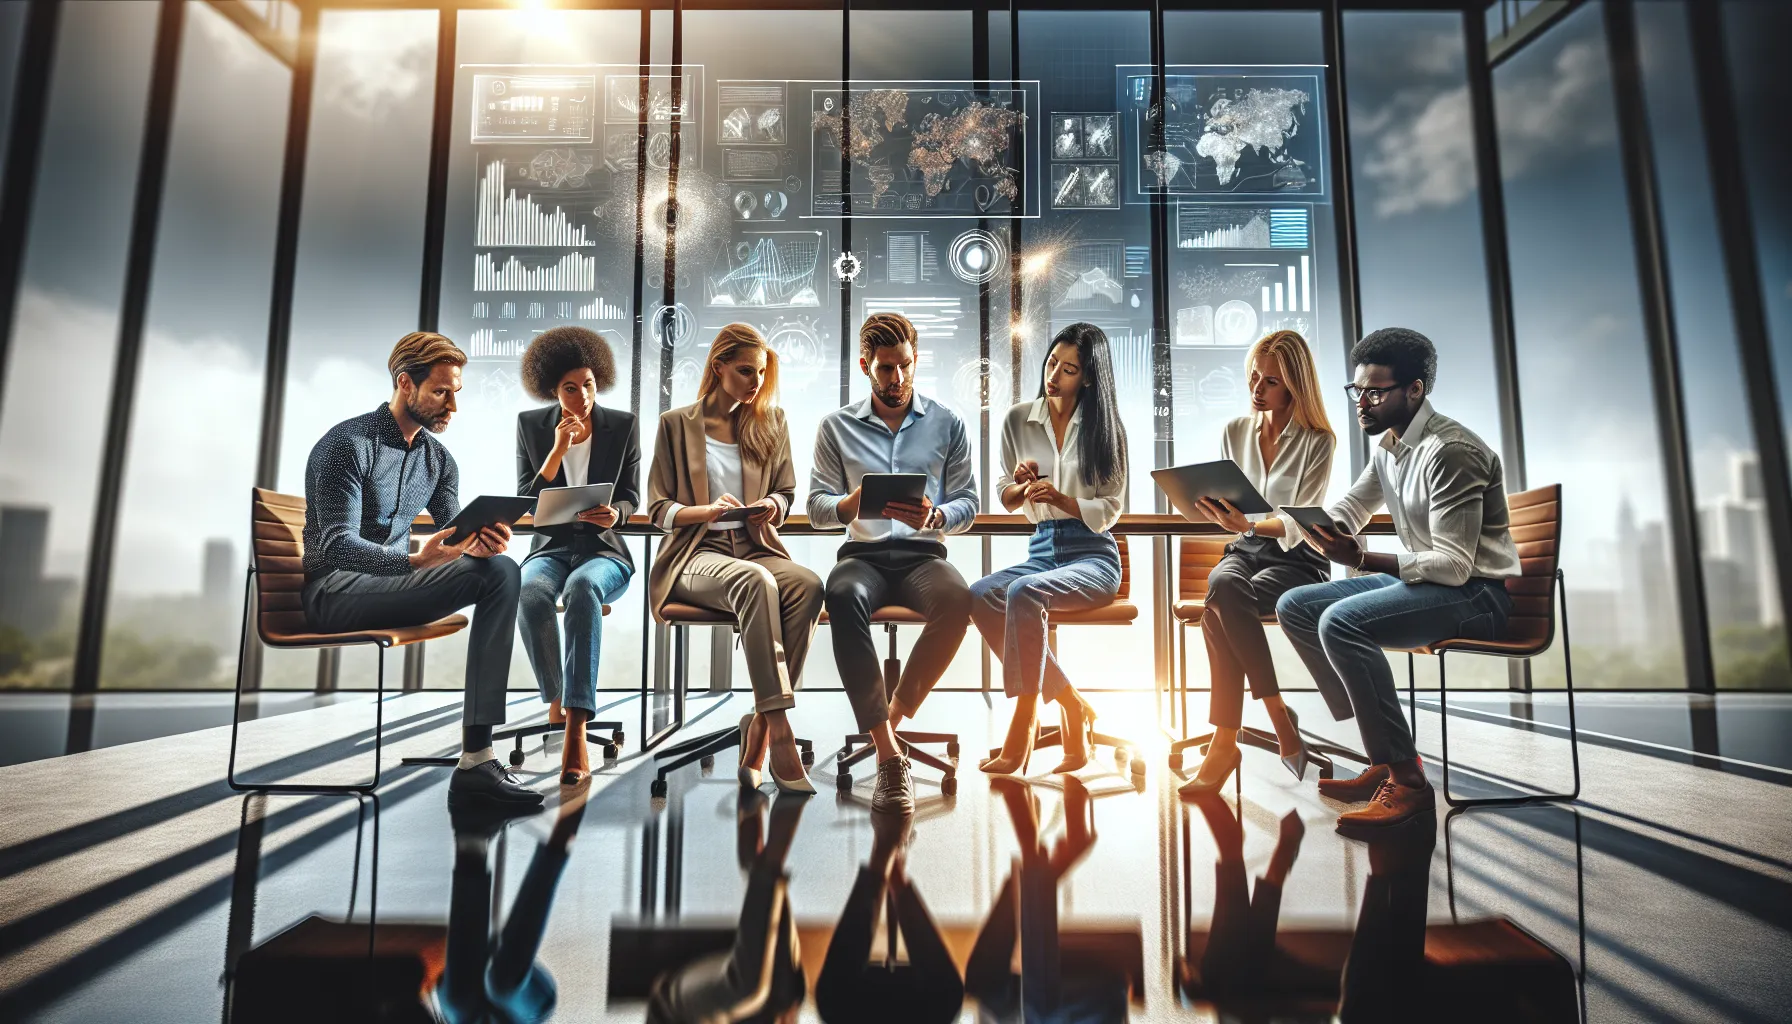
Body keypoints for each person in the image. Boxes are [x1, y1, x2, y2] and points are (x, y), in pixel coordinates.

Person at [1276, 327, 1520, 835]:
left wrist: (1361, 557)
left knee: (1340, 624)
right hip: (1432, 587)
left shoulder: (1450, 451)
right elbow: (1353, 506)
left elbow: (1454, 566)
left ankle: (1407, 782)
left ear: (1414, 390)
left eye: (1374, 392)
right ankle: (1384, 755)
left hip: (1476, 596)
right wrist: (1310, 525)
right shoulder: (1389, 445)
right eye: (1357, 390)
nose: (1361, 403)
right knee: (1297, 605)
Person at [301, 331, 537, 810]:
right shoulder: (346, 445)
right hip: (333, 592)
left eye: (456, 393)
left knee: (500, 570)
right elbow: (335, 544)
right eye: (441, 392)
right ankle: (477, 761)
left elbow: (452, 535)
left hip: (391, 584)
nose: (452, 405)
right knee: (497, 575)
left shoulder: (438, 460)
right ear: (405, 384)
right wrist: (412, 561)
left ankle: (477, 758)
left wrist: (483, 543)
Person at [808, 312, 979, 814]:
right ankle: (888, 757)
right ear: (866, 366)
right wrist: (849, 504)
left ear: (915, 359)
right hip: (862, 557)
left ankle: (889, 727)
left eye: (904, 366)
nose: (897, 379)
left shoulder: (948, 423)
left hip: (924, 554)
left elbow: (968, 503)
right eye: (885, 369)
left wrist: (938, 514)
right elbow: (817, 508)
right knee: (840, 596)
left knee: (958, 599)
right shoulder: (835, 426)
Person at [646, 324, 824, 794]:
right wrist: (704, 511)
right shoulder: (675, 424)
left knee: (806, 584)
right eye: (746, 371)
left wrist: (774, 506)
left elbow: (786, 491)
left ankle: (760, 723)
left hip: (755, 545)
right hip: (694, 554)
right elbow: (658, 508)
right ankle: (779, 735)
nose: (755, 383)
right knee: (755, 582)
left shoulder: (771, 421)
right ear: (718, 366)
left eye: (762, 373)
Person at [1179, 330, 1337, 796]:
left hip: (1296, 559)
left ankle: (1225, 741)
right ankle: (1276, 716)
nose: (1257, 387)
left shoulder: (1318, 441)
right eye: (1254, 376)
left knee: (1217, 607)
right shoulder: (1235, 431)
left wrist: (1247, 524)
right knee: (1223, 585)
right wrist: (1218, 512)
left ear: (1294, 385)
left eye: (1270, 381)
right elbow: (1235, 505)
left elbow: (1298, 523)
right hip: (1244, 551)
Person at [972, 322, 1128, 775]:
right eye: (1052, 362)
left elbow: (1112, 508)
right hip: (1043, 549)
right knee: (982, 594)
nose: (1054, 374)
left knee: (1025, 593)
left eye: (1069, 368)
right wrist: (1022, 489)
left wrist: (1059, 498)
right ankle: (1072, 704)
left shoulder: (1107, 430)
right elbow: (1004, 497)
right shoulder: (1018, 419)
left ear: (1089, 377)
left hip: (1094, 556)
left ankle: (1022, 725)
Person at [514, 326, 640, 785]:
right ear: (553, 389)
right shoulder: (532, 426)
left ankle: (575, 724)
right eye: (571, 388)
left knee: (583, 588)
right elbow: (528, 501)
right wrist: (557, 451)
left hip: (603, 550)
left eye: (588, 384)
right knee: (528, 591)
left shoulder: (622, 425)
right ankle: (558, 696)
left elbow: (630, 494)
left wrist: (616, 515)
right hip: (551, 546)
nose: (583, 395)